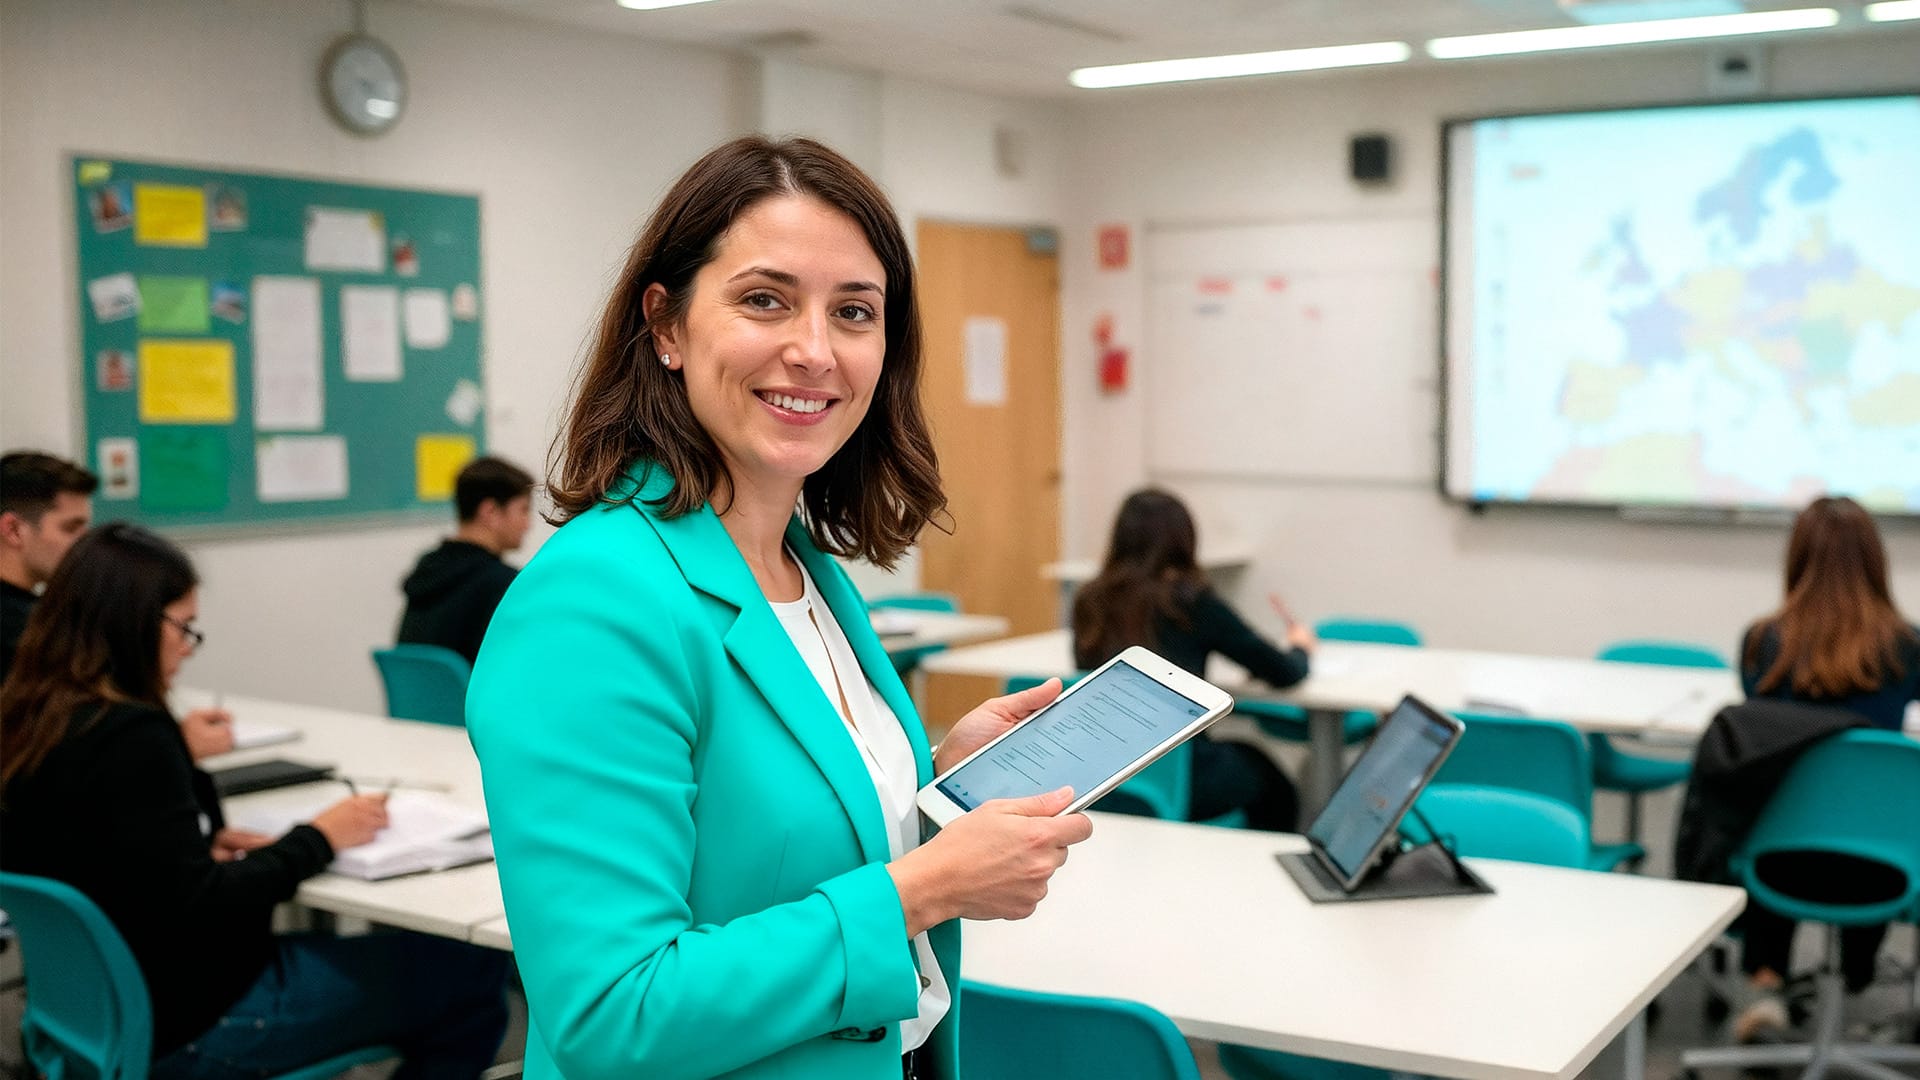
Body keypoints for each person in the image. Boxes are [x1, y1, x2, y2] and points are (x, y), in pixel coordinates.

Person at [466, 136, 1092, 1080]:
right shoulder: (592, 599)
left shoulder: (803, 567)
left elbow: (774, 845)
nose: (814, 350)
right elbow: (613, 1012)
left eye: (854, 312)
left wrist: (930, 785)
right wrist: (921, 889)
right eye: (765, 300)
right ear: (666, 326)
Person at [0, 523, 509, 1079]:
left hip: (91, 1017)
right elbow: (203, 902)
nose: (187, 649)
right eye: (184, 628)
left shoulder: (31, 717)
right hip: (199, 1017)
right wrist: (319, 838)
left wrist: (197, 843)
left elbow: (105, 853)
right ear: (132, 622)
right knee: (470, 976)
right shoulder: (131, 736)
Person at [1727, 495, 1920, 1041]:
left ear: (1797, 558)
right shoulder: (1907, 647)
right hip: (1882, 868)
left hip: (1778, 863)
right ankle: (1857, 974)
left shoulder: (1762, 642)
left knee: (1779, 798)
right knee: (1877, 812)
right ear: (1875, 561)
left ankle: (1766, 986)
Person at [1072, 489, 1313, 831]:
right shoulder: (1189, 601)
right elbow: (1284, 671)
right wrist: (1301, 646)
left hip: (1103, 775)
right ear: (1183, 539)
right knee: (1271, 780)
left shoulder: (1091, 599)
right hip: (1180, 771)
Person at [1, 451, 234, 760]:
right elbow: (60, 751)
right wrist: (169, 747)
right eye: (71, 529)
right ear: (14, 530)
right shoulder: (24, 632)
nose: (85, 544)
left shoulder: (39, 615)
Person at [397, 455, 534, 665]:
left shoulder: (426, 573)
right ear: (490, 512)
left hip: (421, 699)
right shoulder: (502, 584)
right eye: (523, 510)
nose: (528, 524)